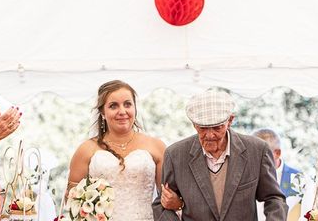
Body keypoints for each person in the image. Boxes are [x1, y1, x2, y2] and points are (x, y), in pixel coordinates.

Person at [153, 90, 287, 221]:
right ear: (194, 124)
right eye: (203, 128)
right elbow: (161, 205)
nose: (210, 135)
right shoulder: (175, 155)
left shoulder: (257, 150)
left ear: (230, 120)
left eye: (217, 127)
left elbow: (274, 199)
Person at [67, 80, 166, 221]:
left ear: (135, 108)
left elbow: (168, 200)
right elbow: (71, 201)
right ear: (102, 112)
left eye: (127, 104)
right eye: (113, 106)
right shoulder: (86, 150)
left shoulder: (156, 146)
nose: (122, 111)